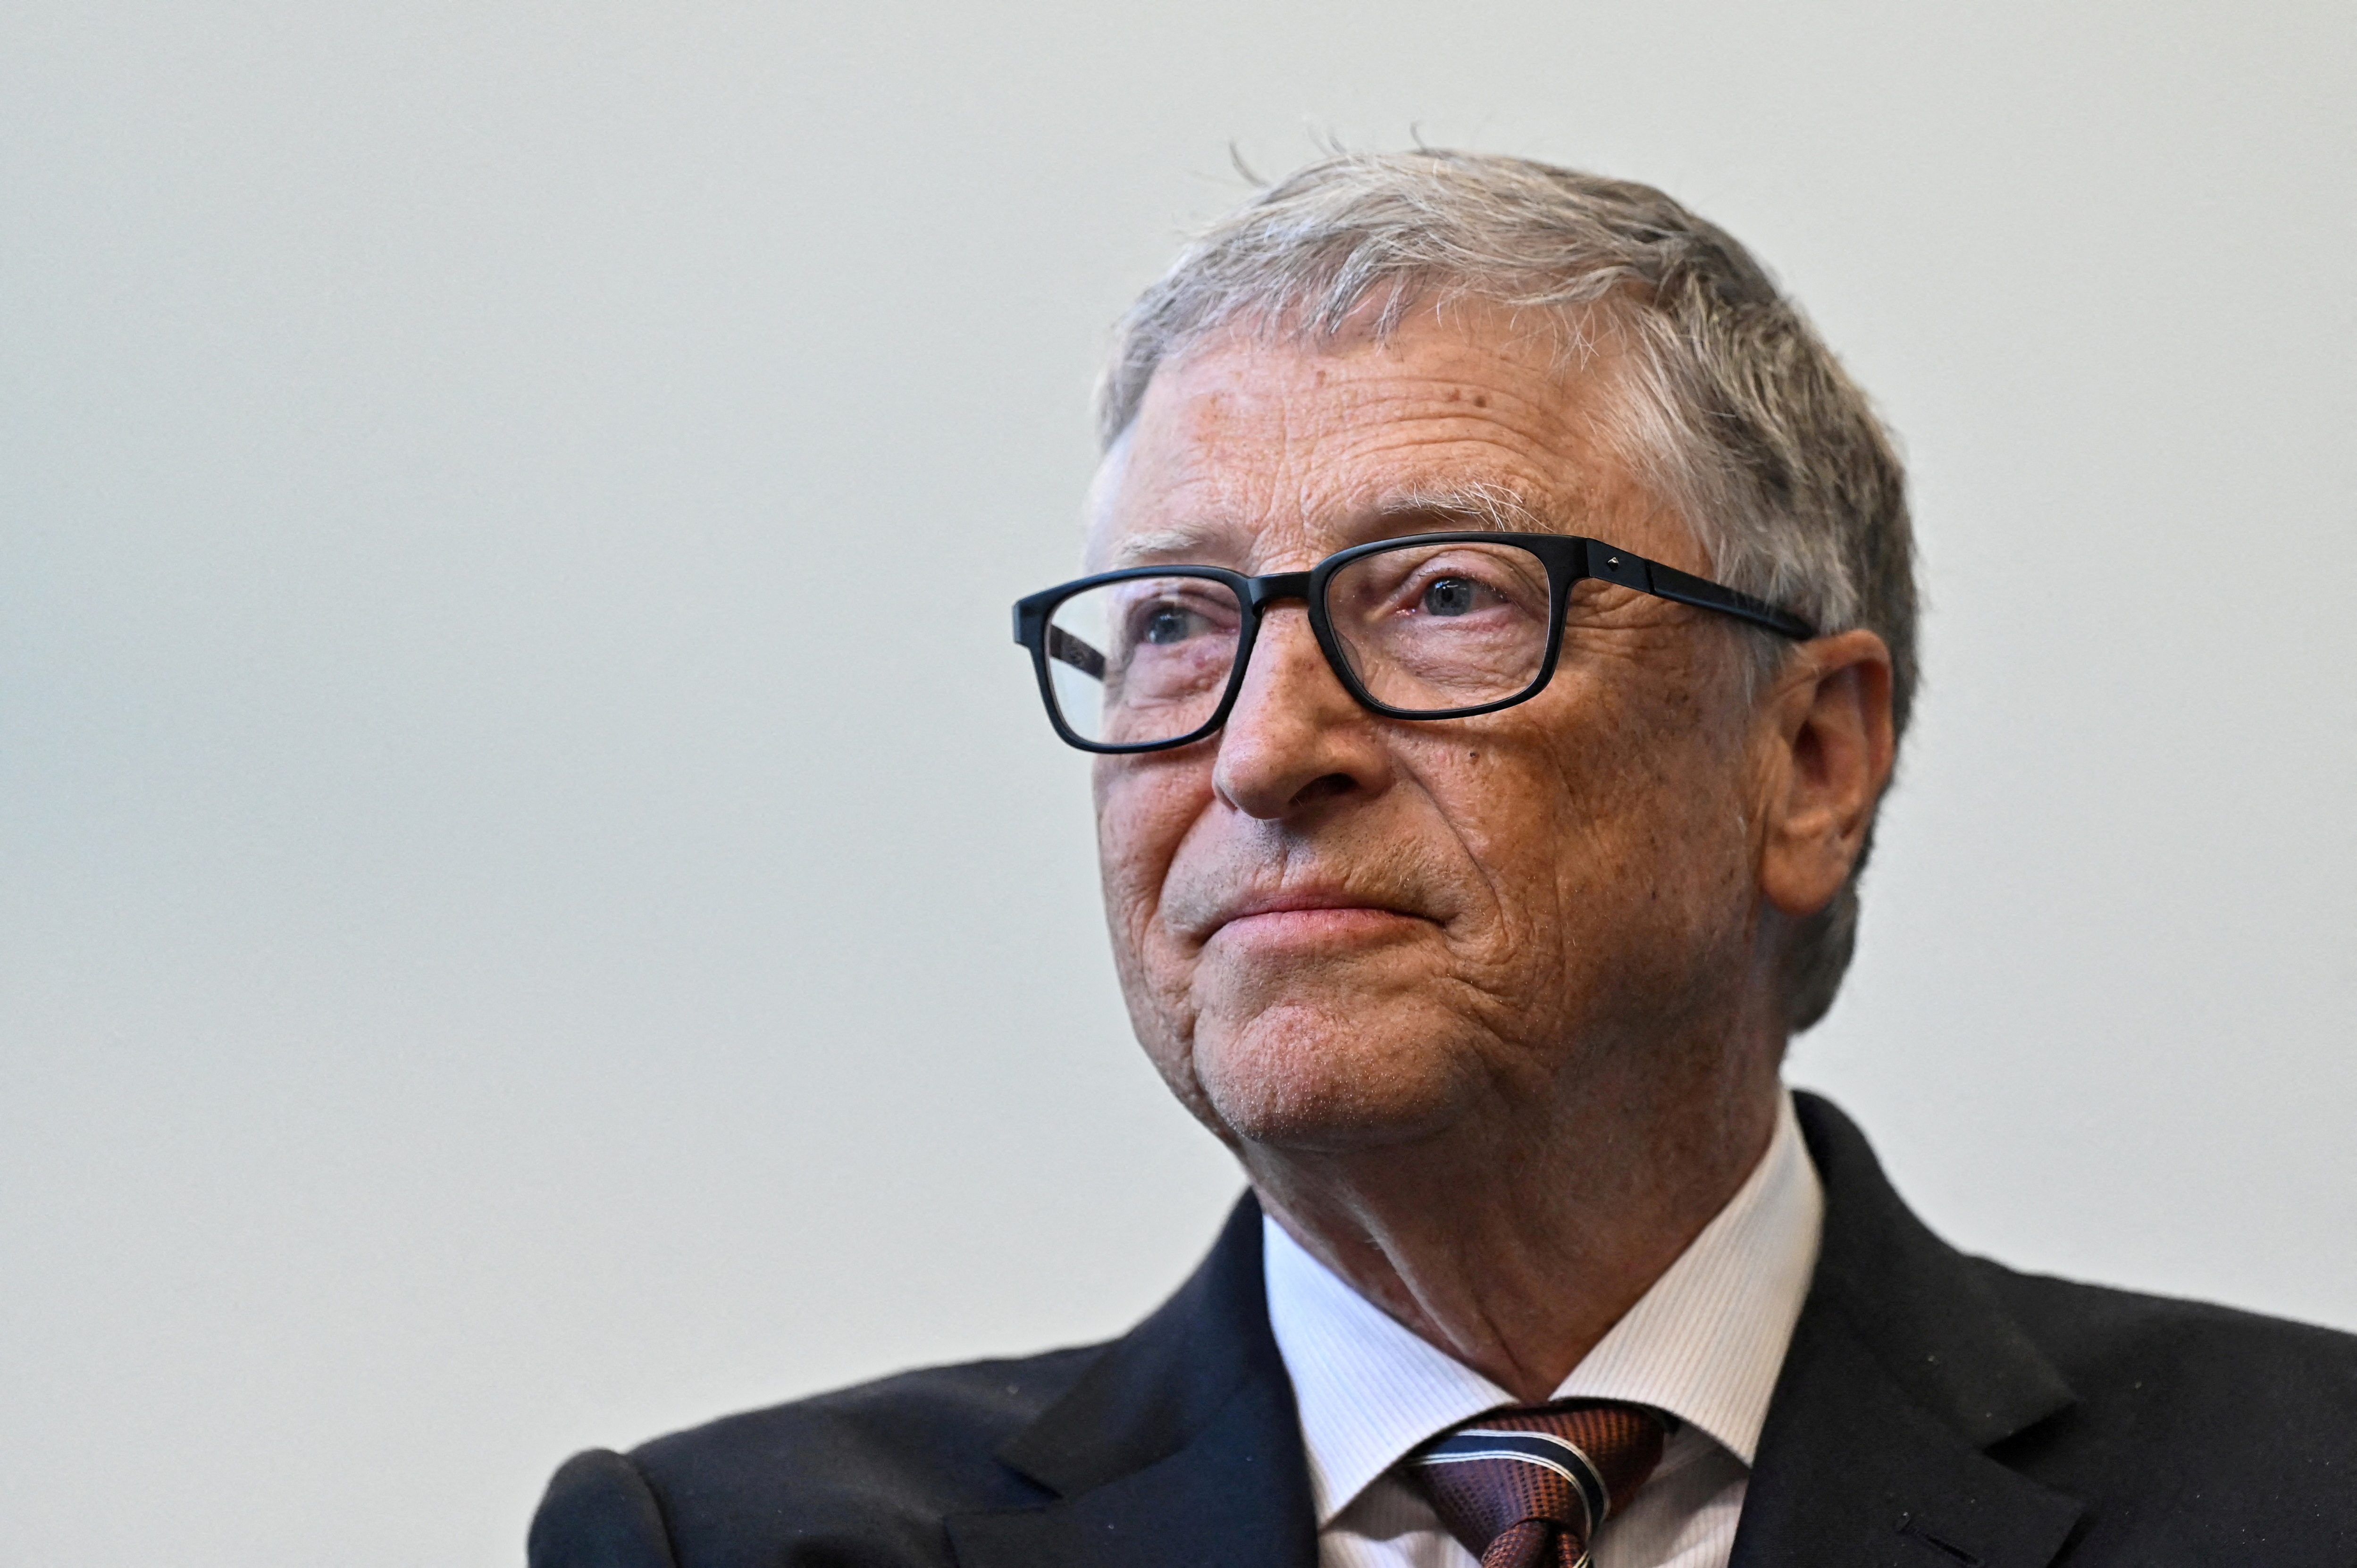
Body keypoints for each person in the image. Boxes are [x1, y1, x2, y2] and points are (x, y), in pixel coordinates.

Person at [527, 151, 2357, 1568]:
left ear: (1809, 758)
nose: (1260, 749)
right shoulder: (740, 1544)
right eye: (1174, 619)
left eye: (1444, 596)